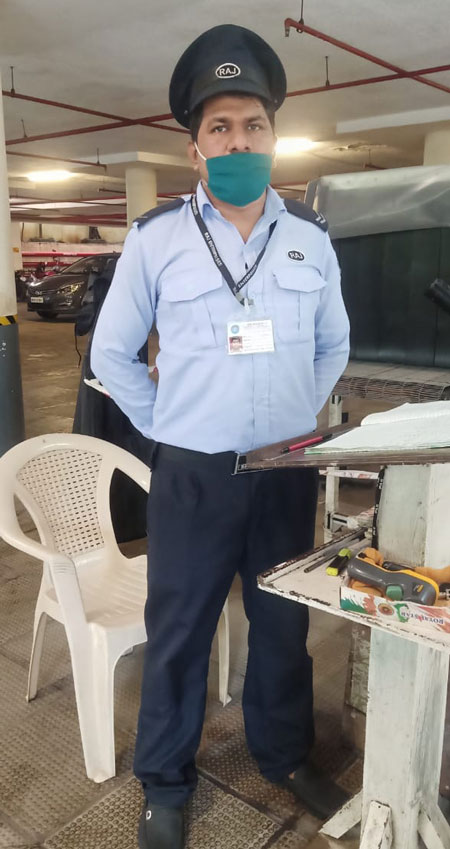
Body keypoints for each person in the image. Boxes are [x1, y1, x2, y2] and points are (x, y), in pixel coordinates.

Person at [91, 23, 350, 849]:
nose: (239, 140)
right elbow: (110, 354)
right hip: (193, 477)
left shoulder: (309, 238)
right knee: (179, 634)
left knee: (283, 626)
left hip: (283, 474)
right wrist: (166, 426)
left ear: (273, 136)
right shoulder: (157, 240)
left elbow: (334, 344)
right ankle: (165, 782)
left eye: (254, 125)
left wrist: (296, 416)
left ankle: (284, 754)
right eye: (221, 126)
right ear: (195, 146)